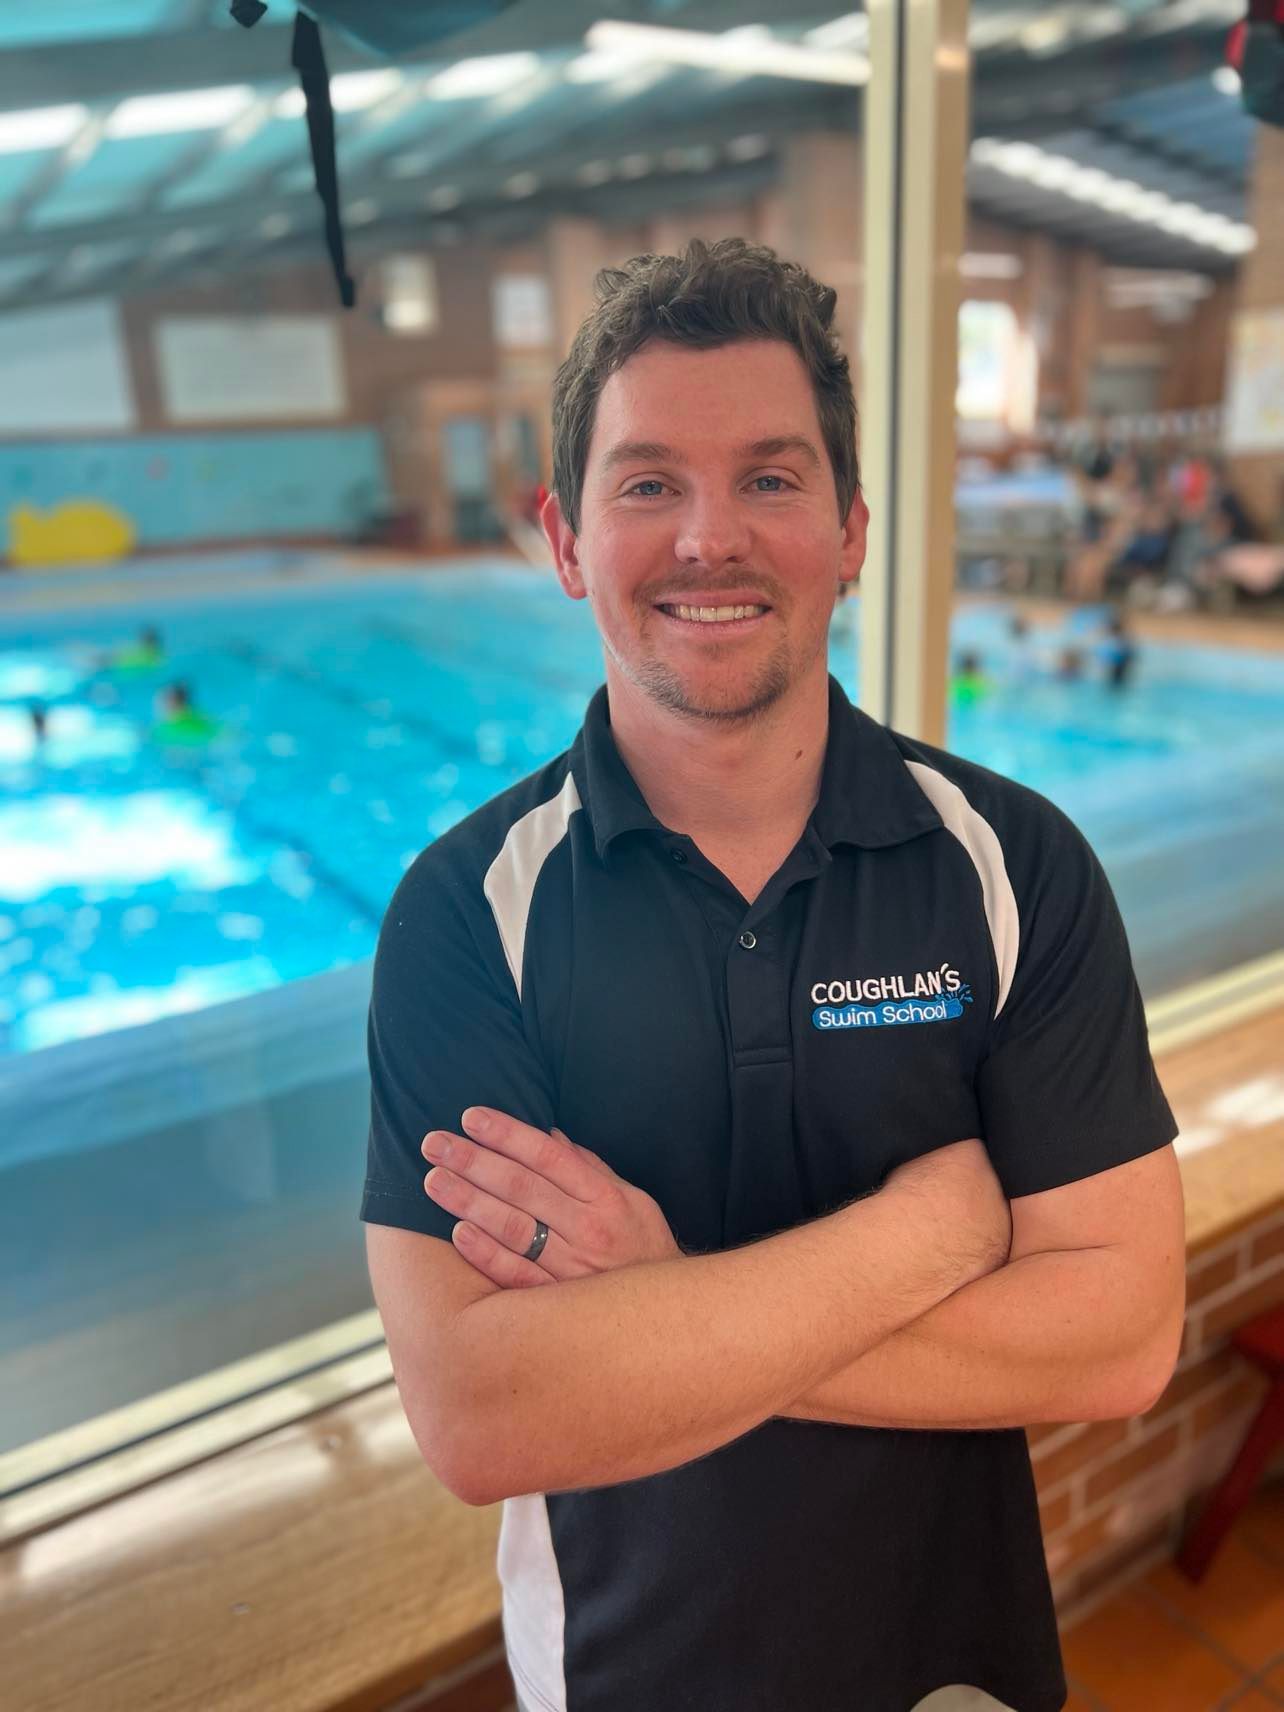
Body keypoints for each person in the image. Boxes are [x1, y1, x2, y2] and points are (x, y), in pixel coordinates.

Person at [360, 238, 1184, 1712]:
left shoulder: (1013, 864)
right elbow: (482, 1415)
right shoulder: (465, 915)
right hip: (622, 1677)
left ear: (853, 529)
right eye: (650, 482)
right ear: (564, 539)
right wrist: (925, 1235)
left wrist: (663, 1305)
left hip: (956, 1670)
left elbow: (1120, 1337)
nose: (708, 538)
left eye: (773, 478)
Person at [1097, 610, 1137, 691]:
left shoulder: (1119, 640)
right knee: (1117, 683)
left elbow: (1127, 654)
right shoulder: (1123, 638)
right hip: (1120, 664)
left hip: (1118, 665)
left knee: (1115, 683)